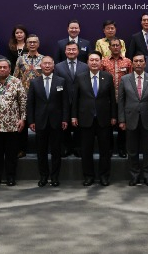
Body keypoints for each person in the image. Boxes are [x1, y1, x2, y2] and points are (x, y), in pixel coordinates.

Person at [72, 52, 117, 187]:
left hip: (104, 119)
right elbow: (75, 99)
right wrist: (74, 116)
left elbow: (112, 100)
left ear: (101, 62)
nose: (94, 62)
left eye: (97, 60)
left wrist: (114, 116)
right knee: (86, 150)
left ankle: (104, 176)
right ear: (87, 62)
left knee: (105, 150)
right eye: (91, 60)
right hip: (86, 119)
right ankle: (88, 176)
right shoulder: (80, 77)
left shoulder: (107, 77)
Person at [118, 53, 148, 187]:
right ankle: (134, 176)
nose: (138, 63)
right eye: (135, 61)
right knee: (132, 150)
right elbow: (121, 101)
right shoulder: (125, 79)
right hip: (130, 119)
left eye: (141, 61)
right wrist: (121, 120)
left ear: (145, 63)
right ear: (132, 63)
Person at [0, 58, 27, 187]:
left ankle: (10, 177)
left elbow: (23, 102)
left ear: (10, 69)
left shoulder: (16, 82)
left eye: (5, 67)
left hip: (11, 124)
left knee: (11, 154)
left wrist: (22, 119)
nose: (2, 69)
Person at [27, 56, 68, 187]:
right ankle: (43, 176)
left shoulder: (61, 81)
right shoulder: (34, 82)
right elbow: (30, 104)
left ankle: (55, 177)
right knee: (41, 151)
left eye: (49, 63)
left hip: (57, 122)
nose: (47, 66)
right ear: (41, 65)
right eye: (45, 63)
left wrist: (65, 119)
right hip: (40, 122)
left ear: (53, 65)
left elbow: (65, 103)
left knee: (56, 151)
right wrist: (31, 120)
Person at [54, 40, 89, 157]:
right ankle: (66, 147)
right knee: (65, 125)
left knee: (80, 125)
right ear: (65, 51)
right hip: (64, 99)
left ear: (78, 51)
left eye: (74, 49)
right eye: (69, 49)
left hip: (80, 100)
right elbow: (57, 83)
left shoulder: (85, 66)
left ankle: (78, 147)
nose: (71, 51)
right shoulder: (58, 67)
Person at [101, 37, 132, 158]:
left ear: (121, 47)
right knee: (108, 126)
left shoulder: (128, 62)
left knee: (122, 126)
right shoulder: (103, 62)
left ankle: (121, 149)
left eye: (117, 45)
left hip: (123, 99)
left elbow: (131, 79)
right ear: (109, 48)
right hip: (108, 99)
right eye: (113, 45)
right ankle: (109, 149)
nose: (115, 47)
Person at [13, 33, 44, 157]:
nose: (32, 44)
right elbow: (15, 77)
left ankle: (40, 149)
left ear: (38, 44)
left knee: (40, 123)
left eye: (34, 42)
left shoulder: (44, 59)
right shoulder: (20, 59)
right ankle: (21, 149)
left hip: (40, 96)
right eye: (30, 42)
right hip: (23, 96)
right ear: (26, 44)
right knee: (22, 124)